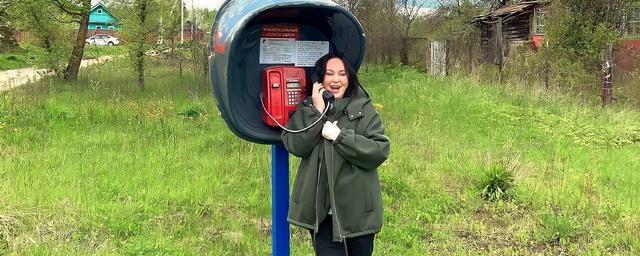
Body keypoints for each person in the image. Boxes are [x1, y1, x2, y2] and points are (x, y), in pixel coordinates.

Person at [281, 53, 390, 256]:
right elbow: (295, 145)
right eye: (330, 74)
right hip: (322, 217)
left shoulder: (364, 109)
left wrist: (341, 137)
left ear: (349, 78)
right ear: (320, 80)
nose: (336, 79)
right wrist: (316, 111)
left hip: (358, 214)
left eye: (342, 73)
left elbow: (379, 150)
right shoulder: (309, 109)